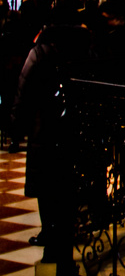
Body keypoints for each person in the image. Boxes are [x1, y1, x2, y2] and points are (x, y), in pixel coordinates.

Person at [8, 22, 92, 261]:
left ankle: (50, 234)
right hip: (76, 127)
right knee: (67, 182)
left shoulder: (41, 51)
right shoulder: (84, 48)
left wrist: (16, 124)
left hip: (45, 127)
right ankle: (67, 229)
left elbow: (24, 87)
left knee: (46, 184)